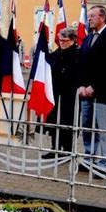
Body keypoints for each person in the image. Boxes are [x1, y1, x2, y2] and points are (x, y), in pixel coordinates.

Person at [78, 5, 106, 174]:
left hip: (103, 93)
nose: (89, 19)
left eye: (92, 16)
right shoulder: (89, 38)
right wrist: (82, 85)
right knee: (88, 127)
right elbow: (82, 64)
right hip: (86, 94)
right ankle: (89, 158)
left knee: (104, 129)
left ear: (102, 18)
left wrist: (94, 87)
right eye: (88, 16)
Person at [43, 28, 79, 158]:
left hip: (70, 94)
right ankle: (55, 148)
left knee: (68, 122)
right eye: (60, 40)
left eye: (65, 40)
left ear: (73, 40)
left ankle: (68, 149)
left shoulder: (77, 54)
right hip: (55, 92)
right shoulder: (56, 54)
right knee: (54, 121)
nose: (62, 43)